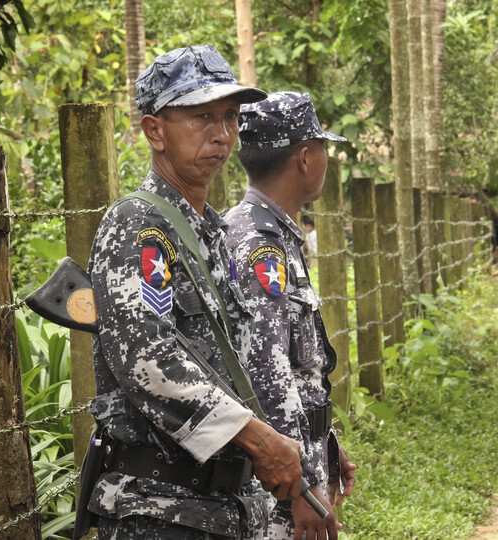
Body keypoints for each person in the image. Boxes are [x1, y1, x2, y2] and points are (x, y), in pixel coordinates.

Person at [86, 45, 303, 539]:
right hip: (162, 511)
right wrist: (259, 439)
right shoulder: (140, 225)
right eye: (201, 116)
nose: (222, 134)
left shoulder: (212, 231)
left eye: (230, 116)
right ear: (154, 131)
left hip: (226, 508)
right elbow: (147, 358)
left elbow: (239, 362)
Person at [225, 91, 356, 540]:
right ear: (304, 158)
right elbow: (266, 368)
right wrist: (305, 488)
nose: (325, 159)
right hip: (279, 485)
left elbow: (300, 371)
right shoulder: (260, 243)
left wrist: (326, 445)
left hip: (294, 465)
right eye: (322, 148)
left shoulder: (270, 234)